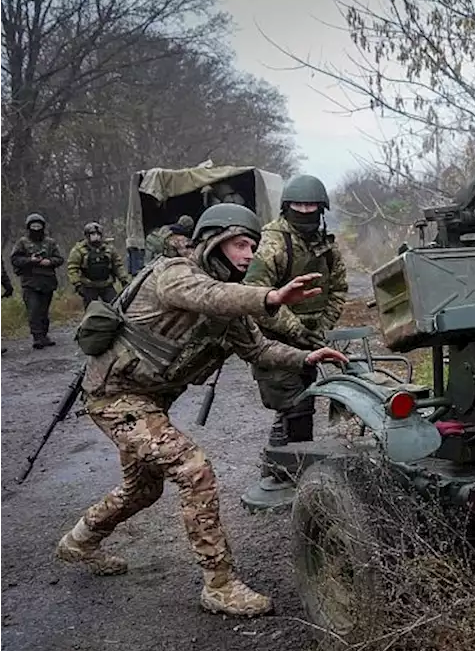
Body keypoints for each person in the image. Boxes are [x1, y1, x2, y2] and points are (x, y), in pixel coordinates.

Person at [53, 202, 349, 617]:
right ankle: (220, 585)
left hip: (147, 403)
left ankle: (79, 541)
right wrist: (271, 296)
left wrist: (306, 358)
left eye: (253, 246)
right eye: (240, 244)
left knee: (143, 489)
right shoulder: (173, 273)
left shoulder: (230, 311)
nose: (249, 255)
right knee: (194, 470)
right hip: (114, 397)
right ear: (212, 242)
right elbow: (208, 295)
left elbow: (259, 348)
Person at [243, 174, 349, 448]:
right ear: (287, 206)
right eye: (298, 205)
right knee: (293, 407)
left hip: (312, 339)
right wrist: (296, 330)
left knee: (303, 404)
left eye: (310, 206)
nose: (304, 211)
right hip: (276, 341)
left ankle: (288, 467)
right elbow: (255, 298)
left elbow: (337, 289)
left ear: (321, 208)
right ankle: (282, 471)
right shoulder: (272, 244)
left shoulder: (326, 246)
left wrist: (322, 327)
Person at [9, 212, 64, 349]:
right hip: (30, 282)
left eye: (38, 225)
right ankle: (37, 337)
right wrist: (30, 260)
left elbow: (60, 259)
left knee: (44, 311)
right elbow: (15, 259)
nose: (36, 228)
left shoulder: (50, 242)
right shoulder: (22, 242)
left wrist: (49, 262)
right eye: (33, 226)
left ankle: (44, 335)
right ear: (28, 227)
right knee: (33, 310)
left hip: (47, 281)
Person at [67, 222, 131, 308]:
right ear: (87, 235)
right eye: (92, 234)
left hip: (106, 284)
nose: (95, 236)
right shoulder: (79, 250)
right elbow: (72, 268)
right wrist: (77, 284)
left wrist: (123, 279)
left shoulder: (109, 248)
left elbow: (117, 265)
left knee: (116, 307)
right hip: (89, 285)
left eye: (98, 234)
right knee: (92, 311)